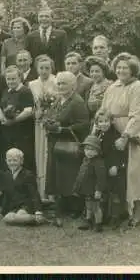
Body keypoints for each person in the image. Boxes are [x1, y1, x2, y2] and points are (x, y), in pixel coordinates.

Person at [99, 52, 140, 228]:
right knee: (117, 172)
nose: (121, 71)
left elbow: (139, 115)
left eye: (125, 68)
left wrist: (125, 136)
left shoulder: (138, 87)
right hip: (112, 132)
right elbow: (103, 110)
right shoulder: (112, 87)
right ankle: (120, 210)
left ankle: (137, 214)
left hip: (132, 135)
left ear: (132, 70)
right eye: (118, 67)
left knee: (136, 172)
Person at [44, 71, 90, 227]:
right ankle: (61, 203)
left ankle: (75, 207)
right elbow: (51, 115)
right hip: (56, 143)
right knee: (58, 173)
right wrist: (48, 122)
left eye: (64, 83)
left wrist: (62, 129)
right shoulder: (58, 99)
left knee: (70, 174)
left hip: (69, 144)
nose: (60, 86)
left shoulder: (77, 102)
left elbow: (84, 124)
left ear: (73, 86)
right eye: (58, 83)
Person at [92, 110, 129, 229]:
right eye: (100, 122)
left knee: (116, 194)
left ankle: (115, 217)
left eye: (106, 121)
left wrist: (117, 166)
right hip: (104, 167)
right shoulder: (98, 134)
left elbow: (122, 154)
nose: (104, 124)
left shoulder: (116, 135)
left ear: (111, 121)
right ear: (97, 123)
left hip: (115, 169)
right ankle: (105, 215)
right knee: (105, 191)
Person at [28, 55, 57, 200]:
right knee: (39, 153)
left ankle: (51, 192)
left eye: (47, 68)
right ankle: (41, 192)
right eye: (41, 68)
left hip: (52, 122)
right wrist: (36, 112)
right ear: (37, 69)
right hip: (38, 123)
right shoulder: (32, 84)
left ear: (51, 69)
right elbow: (31, 105)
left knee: (49, 154)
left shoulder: (57, 82)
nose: (44, 71)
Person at [0, 67, 35, 172]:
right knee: (10, 159)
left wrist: (13, 121)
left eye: (13, 79)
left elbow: (28, 111)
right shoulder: (6, 91)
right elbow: (0, 107)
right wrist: (2, 119)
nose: (10, 81)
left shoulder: (25, 91)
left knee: (22, 159)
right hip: (8, 132)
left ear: (20, 78)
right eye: (8, 79)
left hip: (22, 132)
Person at [0, 148, 44, 225]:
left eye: (15, 160)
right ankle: (31, 219)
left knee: (16, 217)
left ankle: (37, 218)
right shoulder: (6, 175)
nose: (12, 163)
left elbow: (34, 194)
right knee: (7, 218)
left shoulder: (27, 175)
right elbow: (7, 194)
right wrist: (2, 212)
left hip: (26, 205)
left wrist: (38, 211)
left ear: (21, 161)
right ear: (6, 161)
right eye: (9, 160)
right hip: (14, 206)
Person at [72, 135, 107, 232]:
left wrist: (99, 190)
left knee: (96, 207)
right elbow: (81, 174)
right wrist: (77, 186)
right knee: (88, 206)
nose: (89, 152)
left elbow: (101, 178)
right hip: (86, 189)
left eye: (92, 150)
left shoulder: (98, 163)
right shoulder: (85, 160)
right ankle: (88, 221)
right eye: (87, 149)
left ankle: (98, 224)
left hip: (94, 190)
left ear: (98, 151)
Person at [25, 2, 68, 73]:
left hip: (56, 73)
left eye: (46, 16)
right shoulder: (31, 36)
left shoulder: (61, 35)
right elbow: (29, 58)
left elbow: (64, 56)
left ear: (52, 19)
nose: (43, 19)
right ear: (38, 18)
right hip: (37, 73)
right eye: (41, 16)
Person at [84, 55, 113, 120]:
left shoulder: (110, 86)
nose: (94, 74)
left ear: (103, 72)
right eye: (92, 71)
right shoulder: (90, 87)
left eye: (97, 71)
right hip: (93, 121)